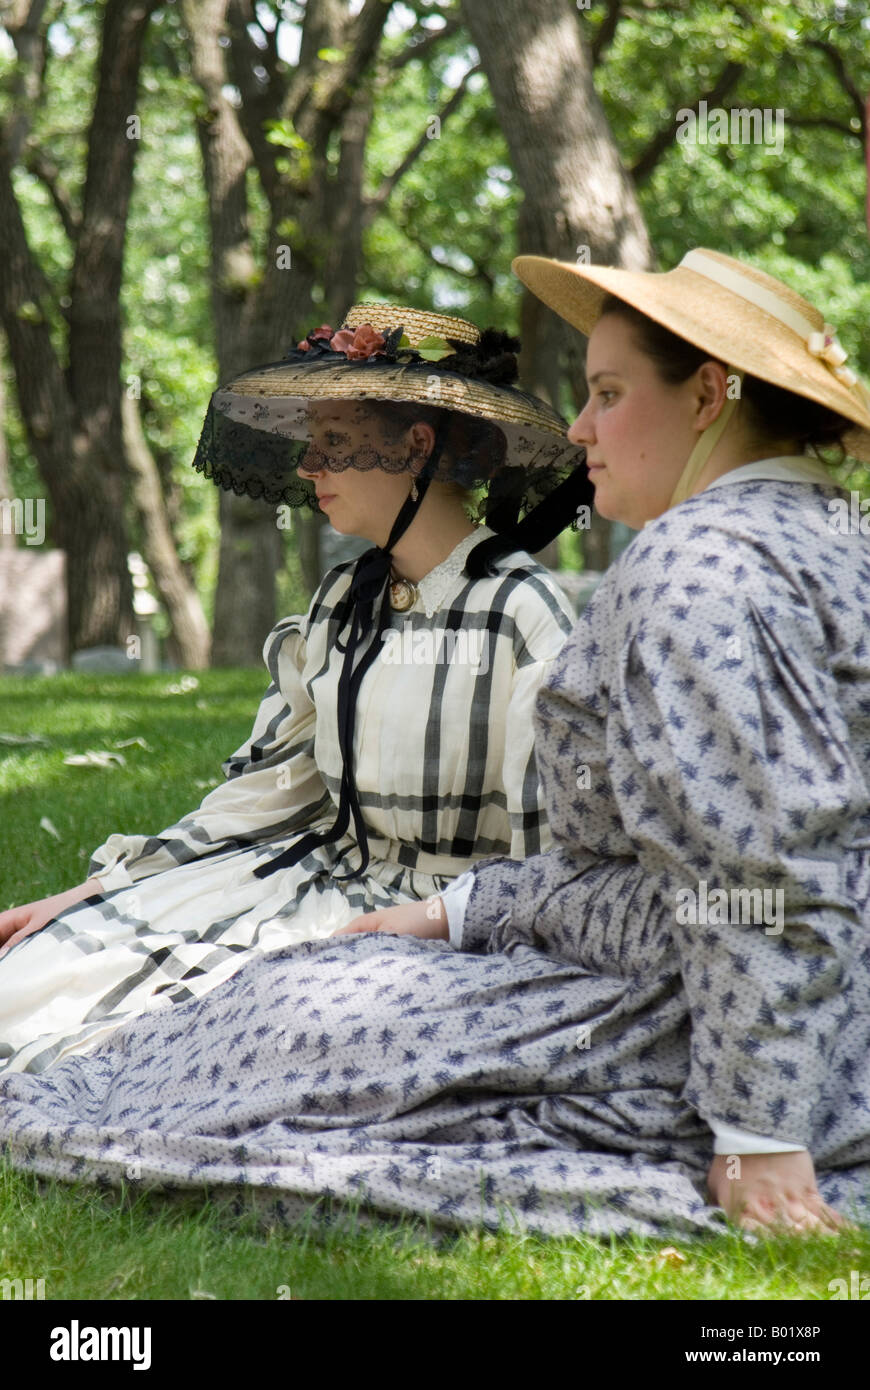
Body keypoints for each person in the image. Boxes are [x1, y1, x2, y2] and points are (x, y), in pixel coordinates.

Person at [2, 251, 868, 1240]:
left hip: (697, 1018)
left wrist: (761, 1134)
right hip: (775, 996)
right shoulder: (818, 540)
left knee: (284, 1023)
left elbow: (755, 866)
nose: (583, 425)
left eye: (610, 393)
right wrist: (452, 913)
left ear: (710, 394)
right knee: (225, 997)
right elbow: (706, 856)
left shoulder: (692, 570)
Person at [0, 304, 586, 1075]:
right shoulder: (345, 598)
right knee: (50, 973)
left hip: (434, 927)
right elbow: (270, 792)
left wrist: (433, 921)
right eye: (312, 444)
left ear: (417, 446)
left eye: (333, 441)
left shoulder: (522, 615)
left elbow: (558, 861)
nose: (309, 468)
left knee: (192, 1041)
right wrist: (98, 893)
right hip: (311, 878)